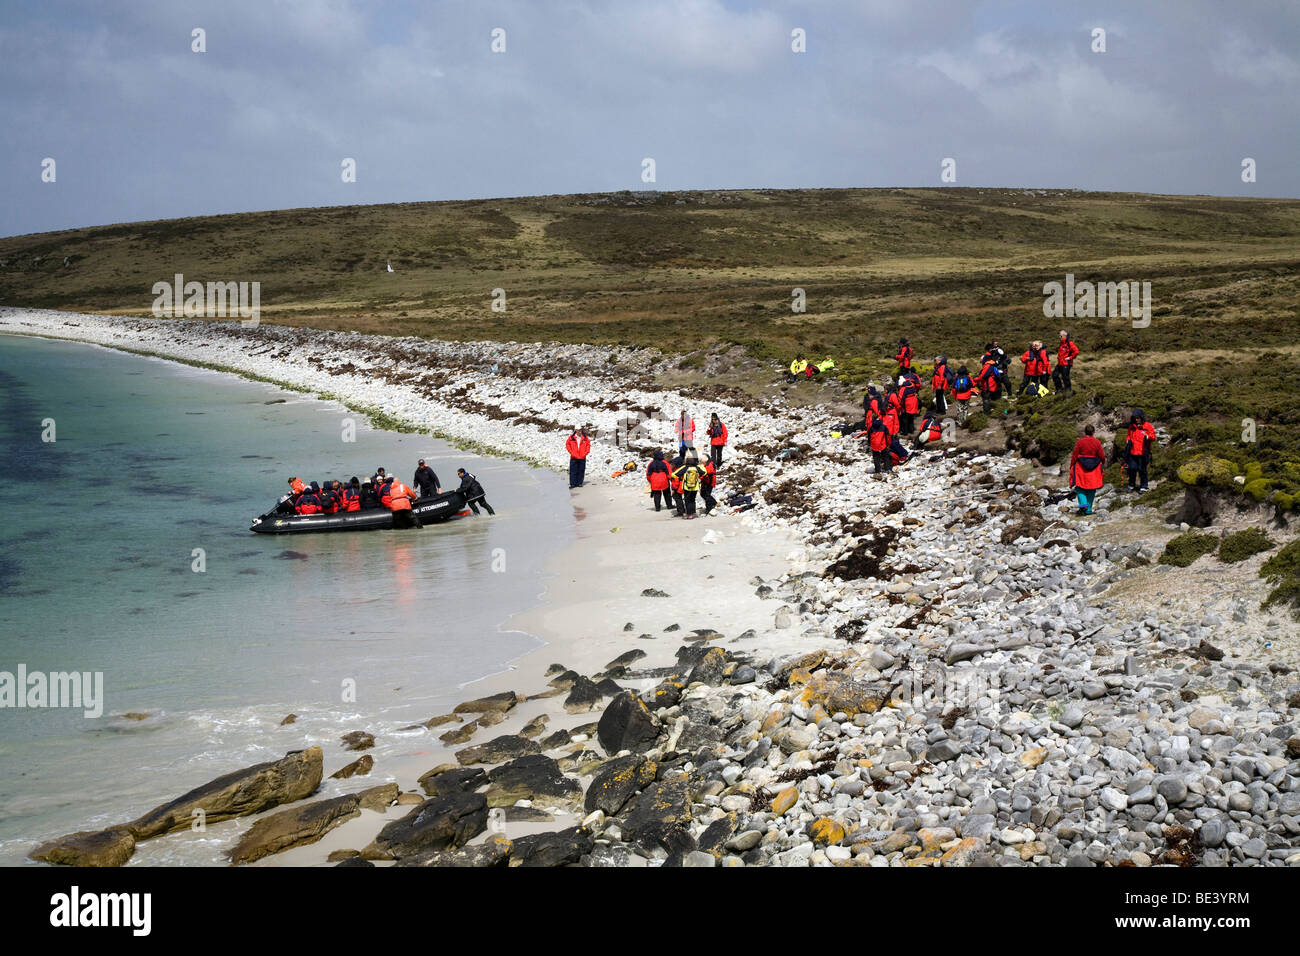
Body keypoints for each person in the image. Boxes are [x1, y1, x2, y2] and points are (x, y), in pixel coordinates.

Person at [1069, 425, 1107, 515]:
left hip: (1081, 468)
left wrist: (1072, 465)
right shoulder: (1097, 442)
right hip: (1094, 469)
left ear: (1085, 432)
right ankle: (1088, 509)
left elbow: (1075, 455)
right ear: (1093, 432)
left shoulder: (1080, 442)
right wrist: (1102, 463)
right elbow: (1102, 455)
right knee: (1091, 489)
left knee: (1080, 488)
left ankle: (1083, 505)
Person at [1124, 409, 1157, 492]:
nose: (1136, 420)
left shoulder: (1148, 426)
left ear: (1142, 417)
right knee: (1132, 468)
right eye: (1135, 418)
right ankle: (1131, 485)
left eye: (1138, 418)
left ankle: (1144, 486)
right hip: (1133, 452)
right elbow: (1128, 435)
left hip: (1143, 452)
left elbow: (1153, 436)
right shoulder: (1131, 427)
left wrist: (1148, 436)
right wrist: (1127, 440)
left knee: (1142, 470)